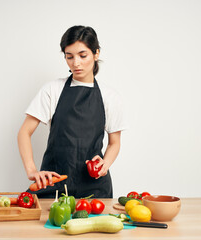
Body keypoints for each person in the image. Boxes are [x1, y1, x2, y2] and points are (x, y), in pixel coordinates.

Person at [17, 25, 127, 198]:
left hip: (95, 188)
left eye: (83, 56)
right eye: (69, 57)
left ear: (96, 53)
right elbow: (24, 132)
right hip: (54, 182)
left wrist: (105, 163)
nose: (76, 63)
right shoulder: (52, 90)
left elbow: (114, 142)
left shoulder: (110, 96)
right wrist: (31, 171)